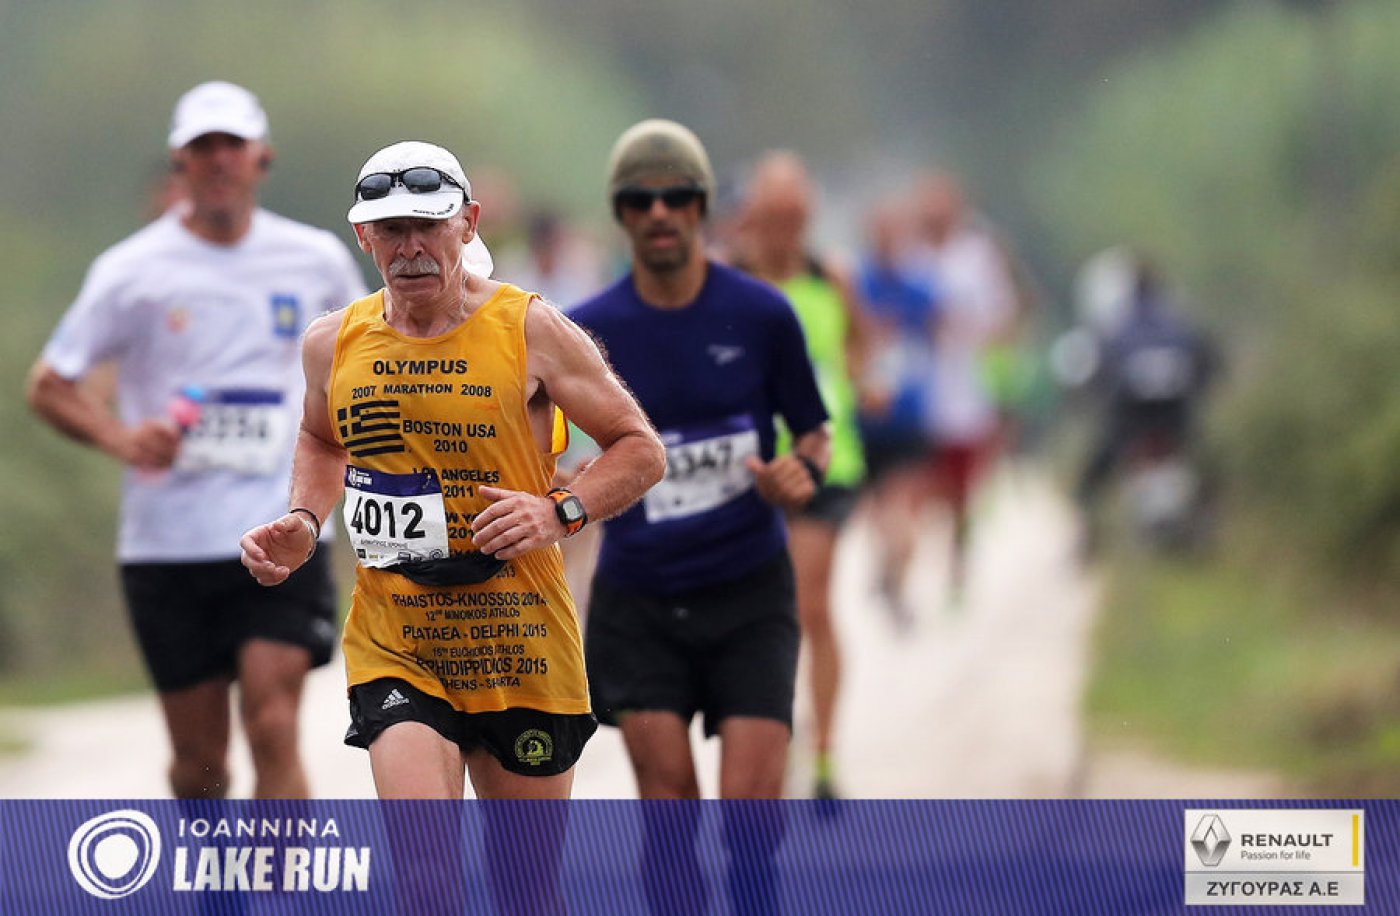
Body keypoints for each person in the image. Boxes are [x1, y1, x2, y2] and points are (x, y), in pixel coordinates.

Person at [239, 140, 664, 804]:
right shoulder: (331, 342)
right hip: (398, 637)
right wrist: (303, 518)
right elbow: (321, 439)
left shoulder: (532, 329)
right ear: (364, 237)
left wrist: (558, 512)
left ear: (467, 224)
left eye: (427, 225)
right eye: (390, 230)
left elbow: (640, 449)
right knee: (423, 858)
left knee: (524, 869)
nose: (409, 247)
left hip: (518, 635)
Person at [25, 81, 367, 800]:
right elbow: (49, 384)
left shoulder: (315, 259)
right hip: (168, 542)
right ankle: (214, 867)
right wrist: (122, 438)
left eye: (232, 145)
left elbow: (365, 367)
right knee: (198, 760)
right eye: (201, 147)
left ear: (262, 157)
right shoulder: (131, 270)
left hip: (280, 528)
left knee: (273, 723)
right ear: (178, 162)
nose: (218, 161)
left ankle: (278, 870)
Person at [732, 150, 868, 802]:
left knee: (806, 602)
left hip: (823, 463)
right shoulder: (726, 280)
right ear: (751, 214)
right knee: (756, 609)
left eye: (796, 215)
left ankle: (822, 750)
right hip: (746, 466)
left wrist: (859, 383)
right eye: (775, 213)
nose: (787, 227)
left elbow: (860, 343)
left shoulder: (831, 278)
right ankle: (767, 736)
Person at [908, 171, 1019, 604]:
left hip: (965, 391)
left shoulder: (977, 256)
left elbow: (1003, 316)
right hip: (915, 391)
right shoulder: (910, 256)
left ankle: (958, 558)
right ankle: (903, 559)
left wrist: (971, 332)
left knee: (960, 490)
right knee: (913, 480)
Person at [1075, 253, 1217, 557]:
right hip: (1175, 419)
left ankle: (1089, 535)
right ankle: (1208, 523)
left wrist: (1098, 395)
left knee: (1093, 475)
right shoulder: (1180, 322)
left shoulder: (1118, 328)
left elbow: (1101, 371)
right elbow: (1207, 360)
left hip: (1131, 423)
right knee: (1207, 463)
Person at [854, 197, 942, 629]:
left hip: (903, 414)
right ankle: (892, 575)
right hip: (873, 415)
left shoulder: (911, 288)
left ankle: (893, 576)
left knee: (898, 507)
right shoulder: (859, 285)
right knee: (887, 509)